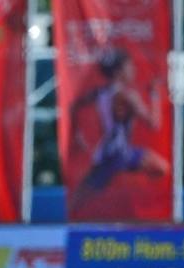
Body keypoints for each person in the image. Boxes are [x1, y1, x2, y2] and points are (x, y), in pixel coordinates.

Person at [66, 48, 168, 217]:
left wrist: (77, 134)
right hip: (119, 153)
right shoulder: (128, 95)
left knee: (80, 197)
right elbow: (154, 123)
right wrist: (155, 95)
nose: (133, 70)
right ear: (119, 72)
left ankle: (121, 191)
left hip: (109, 152)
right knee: (161, 169)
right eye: (130, 67)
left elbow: (74, 107)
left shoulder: (100, 92)